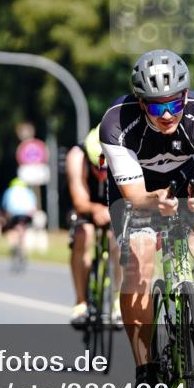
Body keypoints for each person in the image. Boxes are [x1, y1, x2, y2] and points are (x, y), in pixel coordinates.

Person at [100, 49, 194, 388]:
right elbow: (135, 195)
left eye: (175, 104)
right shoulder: (116, 123)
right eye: (157, 107)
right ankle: (145, 367)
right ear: (142, 103)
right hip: (137, 191)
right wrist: (154, 201)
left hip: (188, 180)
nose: (167, 115)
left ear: (186, 97)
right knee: (139, 261)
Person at [65, 124, 122, 328]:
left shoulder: (126, 152)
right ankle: (80, 302)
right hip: (87, 204)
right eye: (98, 167)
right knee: (84, 235)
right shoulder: (77, 156)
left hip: (117, 204)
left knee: (120, 239)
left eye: (108, 168)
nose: (103, 173)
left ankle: (118, 301)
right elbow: (80, 200)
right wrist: (96, 210)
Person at [1, 178, 37, 264]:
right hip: (26, 214)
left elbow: (4, 204)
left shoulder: (9, 191)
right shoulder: (28, 191)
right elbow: (34, 206)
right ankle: (23, 248)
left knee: (12, 229)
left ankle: (14, 245)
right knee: (23, 229)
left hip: (14, 214)